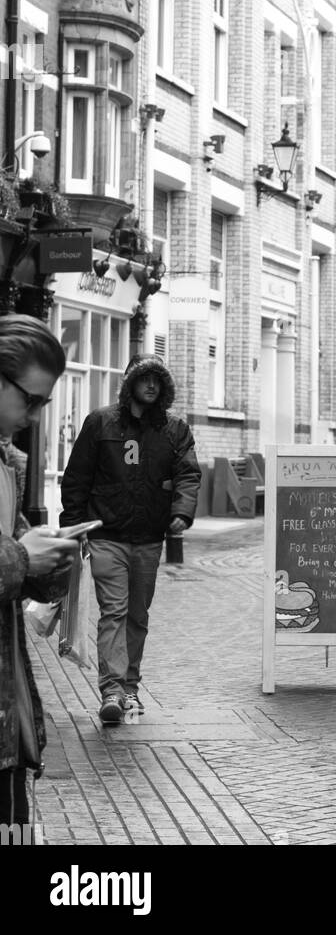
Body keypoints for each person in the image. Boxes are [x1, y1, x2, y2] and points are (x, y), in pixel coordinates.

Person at [60, 353, 201, 724]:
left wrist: (181, 513)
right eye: (144, 379)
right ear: (129, 384)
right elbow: (76, 479)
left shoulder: (174, 430)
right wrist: (75, 528)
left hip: (149, 539)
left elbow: (188, 474)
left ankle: (130, 687)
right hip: (107, 534)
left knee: (138, 616)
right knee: (115, 612)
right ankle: (111, 690)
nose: (151, 385)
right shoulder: (100, 423)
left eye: (158, 379)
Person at [0, 315, 78, 831]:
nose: (32, 417)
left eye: (43, 405)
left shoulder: (6, 463)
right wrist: (24, 558)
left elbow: (21, 555)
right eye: (29, 400)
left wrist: (53, 564)